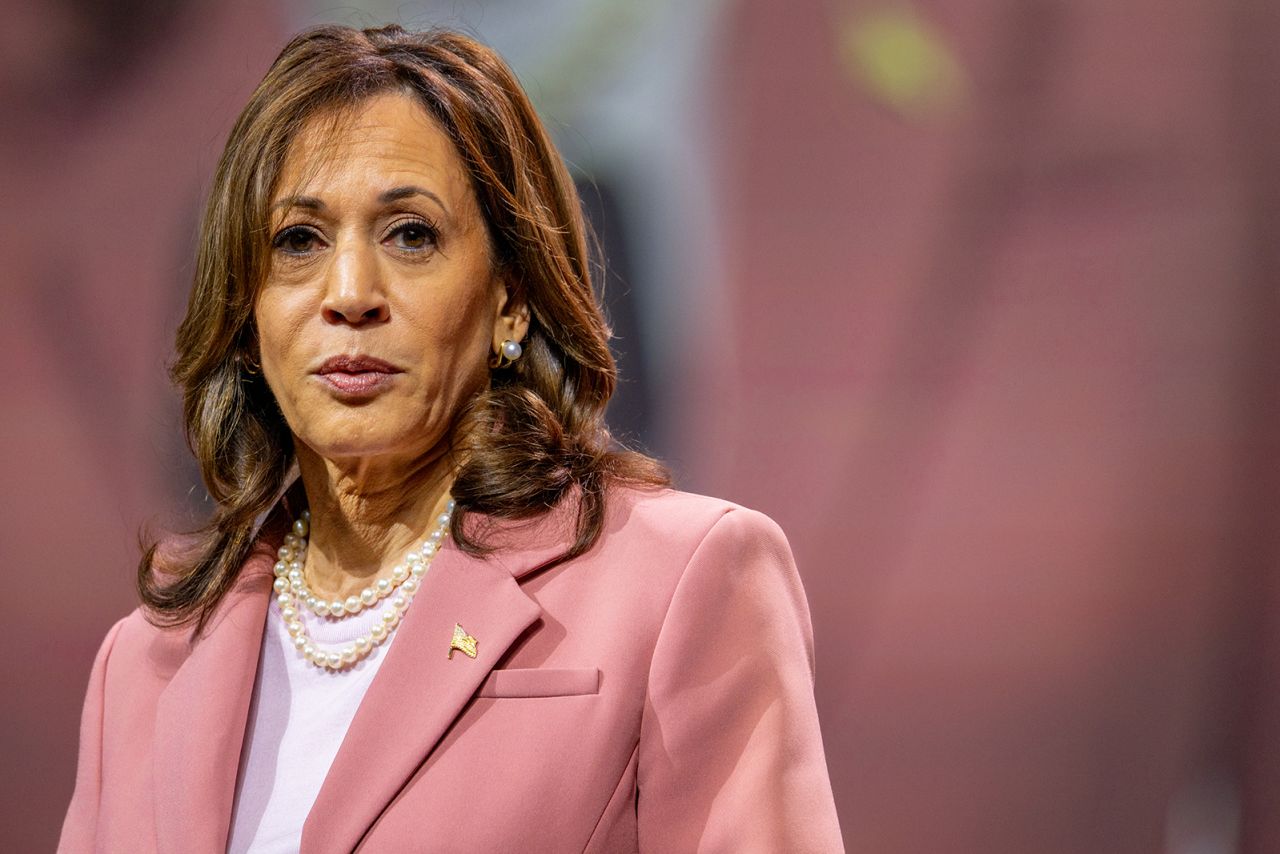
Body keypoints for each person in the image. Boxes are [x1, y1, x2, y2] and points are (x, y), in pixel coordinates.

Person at [58, 23, 843, 853]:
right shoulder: (144, 665)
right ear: (248, 318)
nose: (350, 294)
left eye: (411, 235)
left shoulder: (685, 580)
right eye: (299, 242)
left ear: (510, 299)